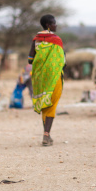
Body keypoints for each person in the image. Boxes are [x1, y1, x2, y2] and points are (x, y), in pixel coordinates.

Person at [28, 14, 65, 146]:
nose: (56, 25)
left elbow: (30, 60)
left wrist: (41, 60)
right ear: (49, 25)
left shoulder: (36, 40)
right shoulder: (57, 40)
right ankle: (46, 135)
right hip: (54, 77)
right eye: (54, 23)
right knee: (52, 104)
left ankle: (46, 134)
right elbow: (62, 60)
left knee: (45, 103)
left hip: (40, 77)